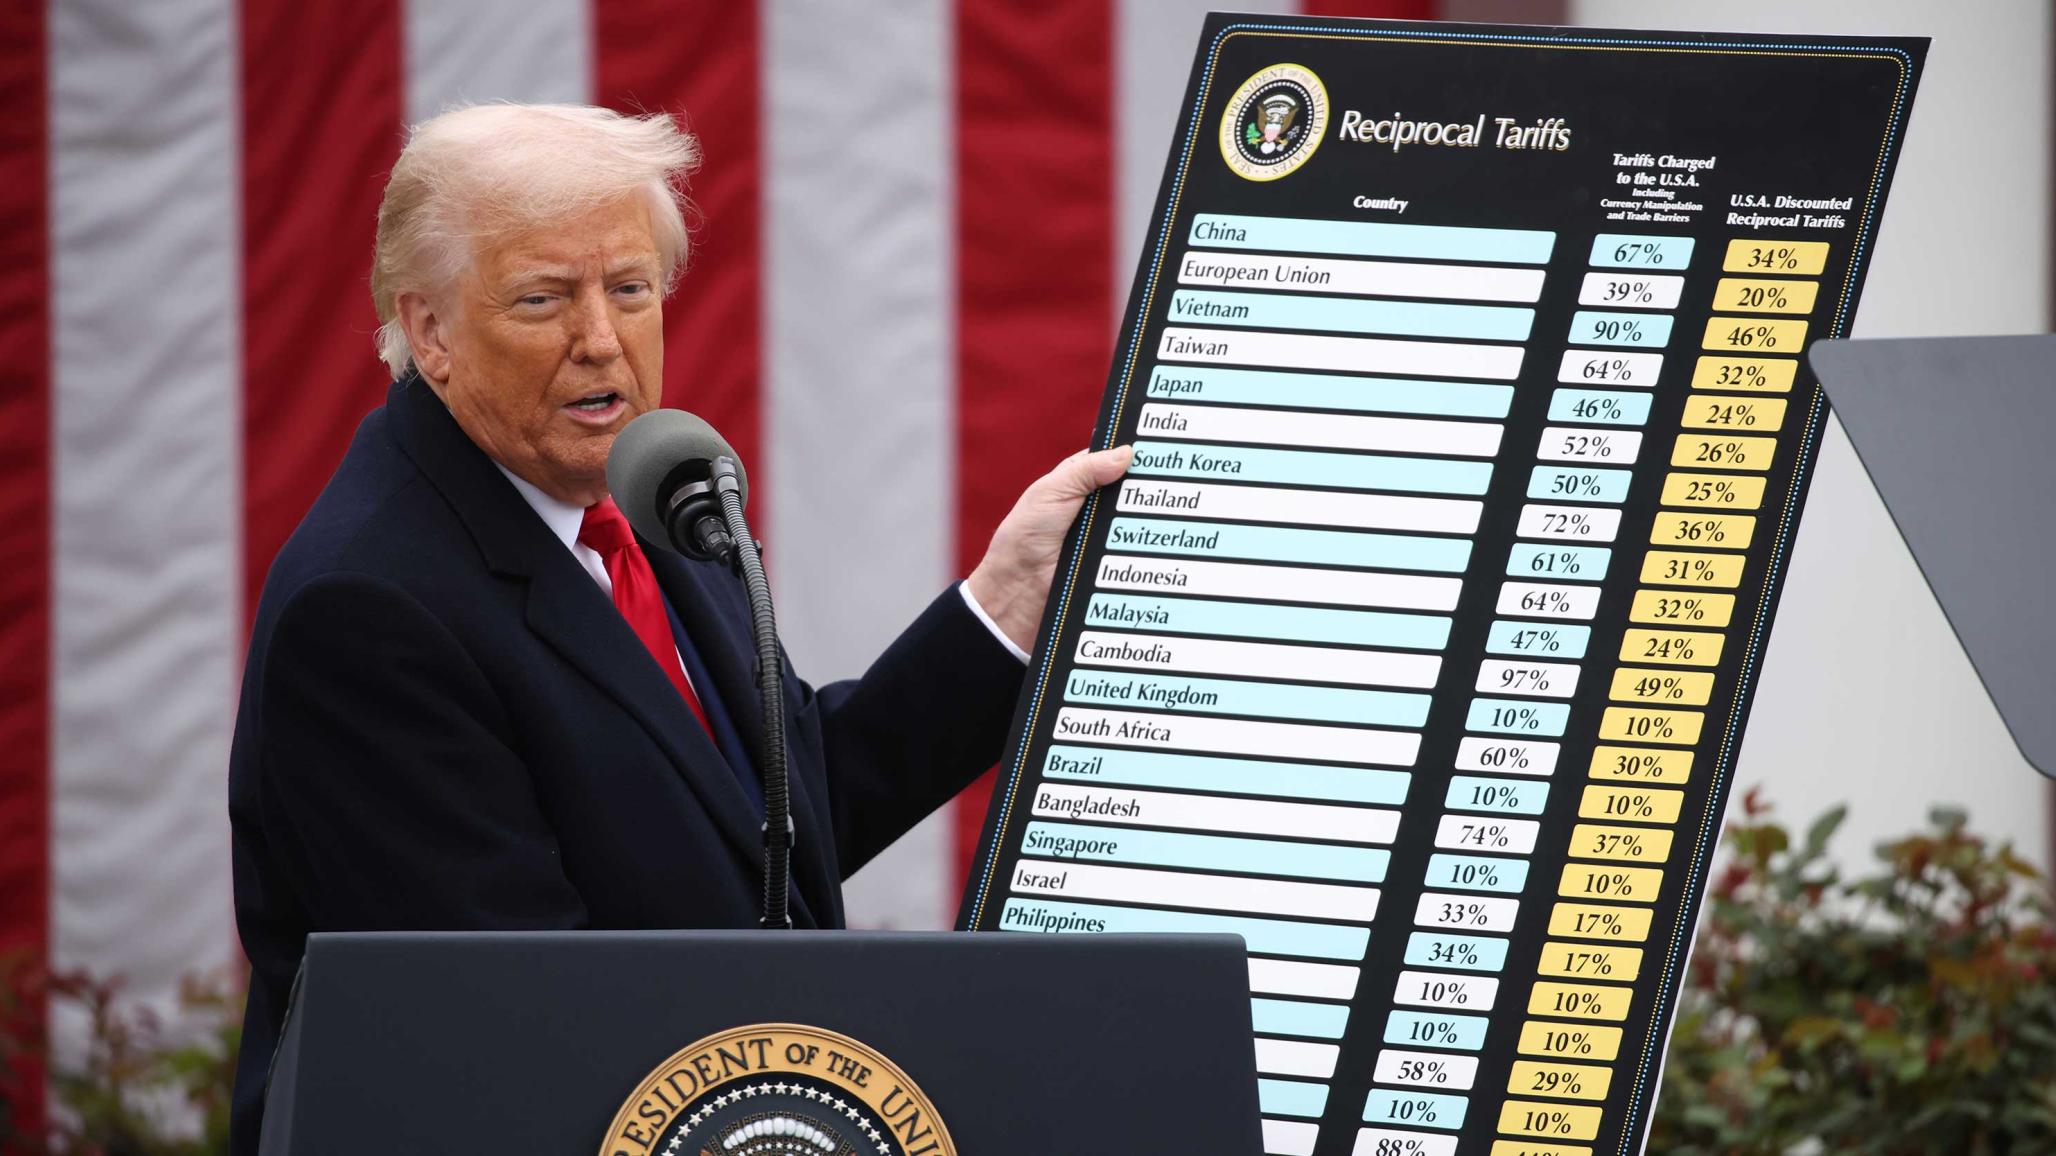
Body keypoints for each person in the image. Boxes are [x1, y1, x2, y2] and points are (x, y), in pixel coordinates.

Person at [224, 103, 1129, 1152]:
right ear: (429, 330)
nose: (600, 341)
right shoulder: (370, 608)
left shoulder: (646, 496)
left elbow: (776, 814)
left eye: (629, 290)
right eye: (542, 298)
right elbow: (513, 1022)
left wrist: (1005, 604)